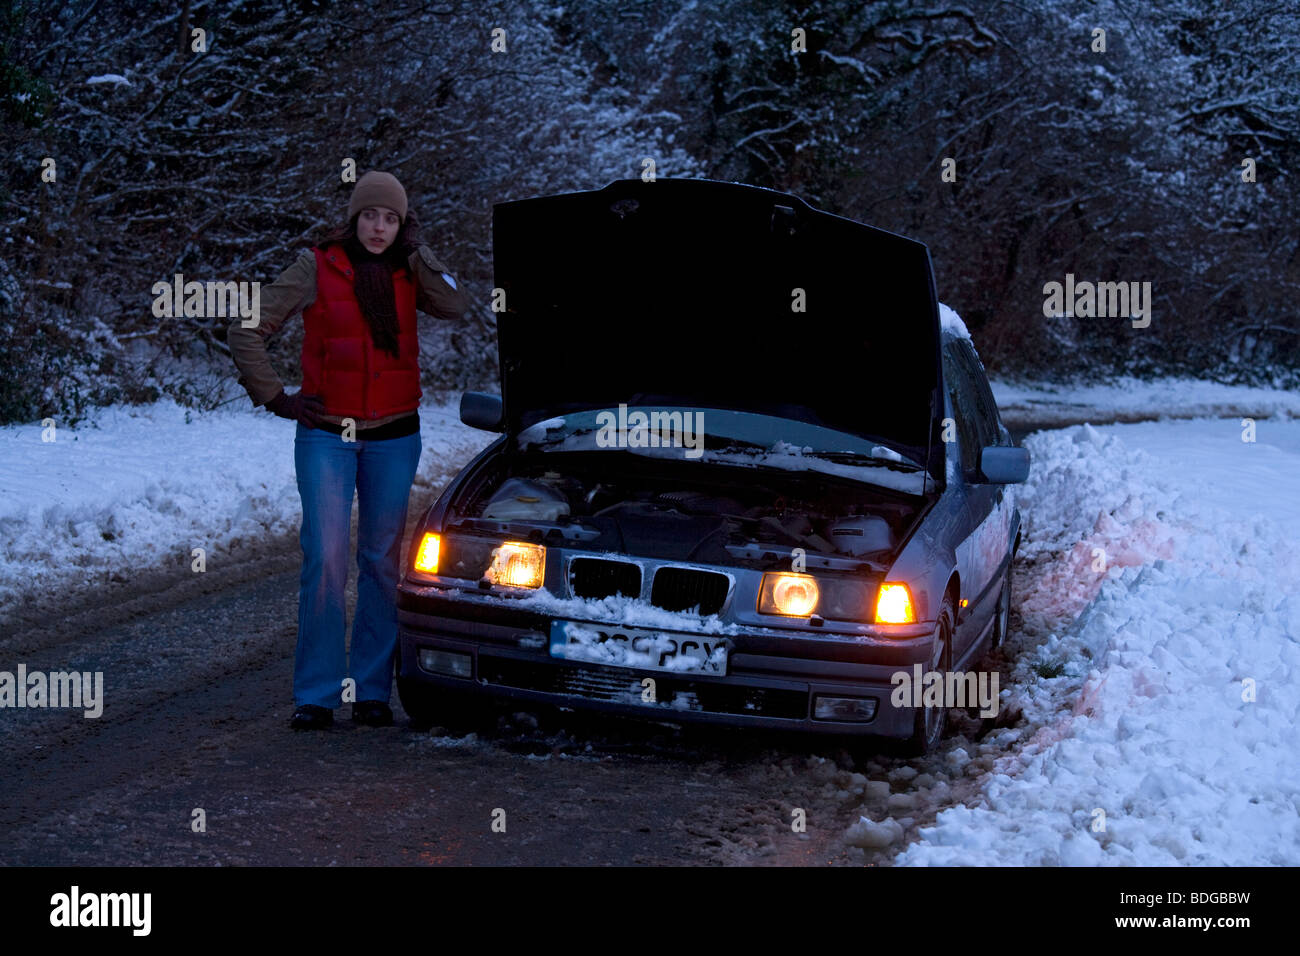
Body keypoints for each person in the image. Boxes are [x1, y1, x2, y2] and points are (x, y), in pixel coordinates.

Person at [227, 170, 467, 730]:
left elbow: (455, 304)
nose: (378, 227)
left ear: (402, 225)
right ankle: (315, 694)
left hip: (394, 436)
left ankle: (371, 692)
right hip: (326, 435)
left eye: (391, 218)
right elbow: (247, 328)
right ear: (353, 218)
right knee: (327, 558)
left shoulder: (411, 268)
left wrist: (420, 251)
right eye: (369, 215)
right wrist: (277, 398)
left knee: (382, 564)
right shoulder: (317, 265)